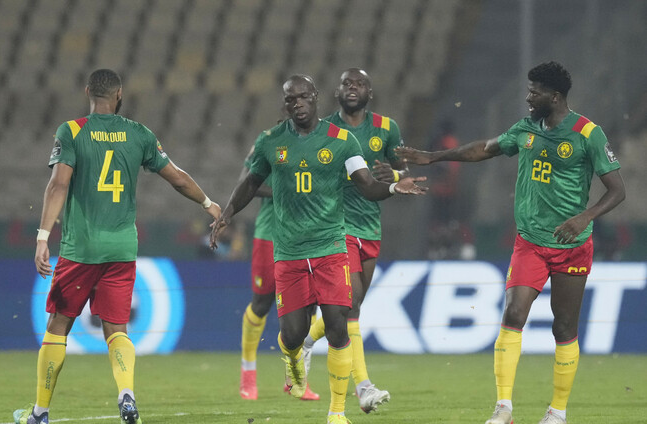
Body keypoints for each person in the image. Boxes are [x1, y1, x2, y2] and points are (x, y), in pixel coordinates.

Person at [396, 61, 625, 424]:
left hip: (572, 245)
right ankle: (503, 408)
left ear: (555, 96)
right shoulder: (526, 128)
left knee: (564, 327)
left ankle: (557, 412)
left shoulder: (587, 133)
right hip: (530, 242)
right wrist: (435, 157)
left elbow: (617, 190)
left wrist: (585, 217)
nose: (528, 97)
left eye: (535, 92)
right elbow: (485, 148)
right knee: (514, 314)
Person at [210, 74, 427, 424]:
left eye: (303, 97)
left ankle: (337, 412)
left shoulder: (342, 140)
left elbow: (367, 185)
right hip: (290, 252)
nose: (297, 104)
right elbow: (250, 182)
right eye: (290, 99)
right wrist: (227, 214)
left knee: (339, 324)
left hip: (331, 247)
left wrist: (393, 188)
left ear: (315, 98)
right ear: (285, 104)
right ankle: (294, 361)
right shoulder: (271, 141)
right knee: (292, 334)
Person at [14, 69, 221, 424]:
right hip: (122, 249)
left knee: (58, 324)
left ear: (87, 92)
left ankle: (40, 413)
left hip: (81, 249)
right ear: (119, 94)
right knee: (117, 328)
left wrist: (42, 237)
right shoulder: (139, 133)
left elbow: (58, 185)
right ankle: (127, 395)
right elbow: (176, 177)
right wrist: (208, 204)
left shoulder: (71, 131)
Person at [301, 68, 407, 413]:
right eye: (347, 83)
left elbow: (402, 169)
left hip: (370, 227)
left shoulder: (386, 128)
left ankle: (305, 341)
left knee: (352, 307)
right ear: (337, 91)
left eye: (359, 84)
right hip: (336, 226)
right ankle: (363, 387)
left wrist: (396, 174)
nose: (352, 88)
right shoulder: (324, 129)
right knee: (349, 305)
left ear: (369, 93)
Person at [238, 146, 320, 401]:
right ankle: (248, 372)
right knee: (262, 304)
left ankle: (296, 378)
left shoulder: (318, 143)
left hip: (307, 237)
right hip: (270, 235)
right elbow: (245, 183)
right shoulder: (267, 145)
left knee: (310, 308)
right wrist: (283, 191)